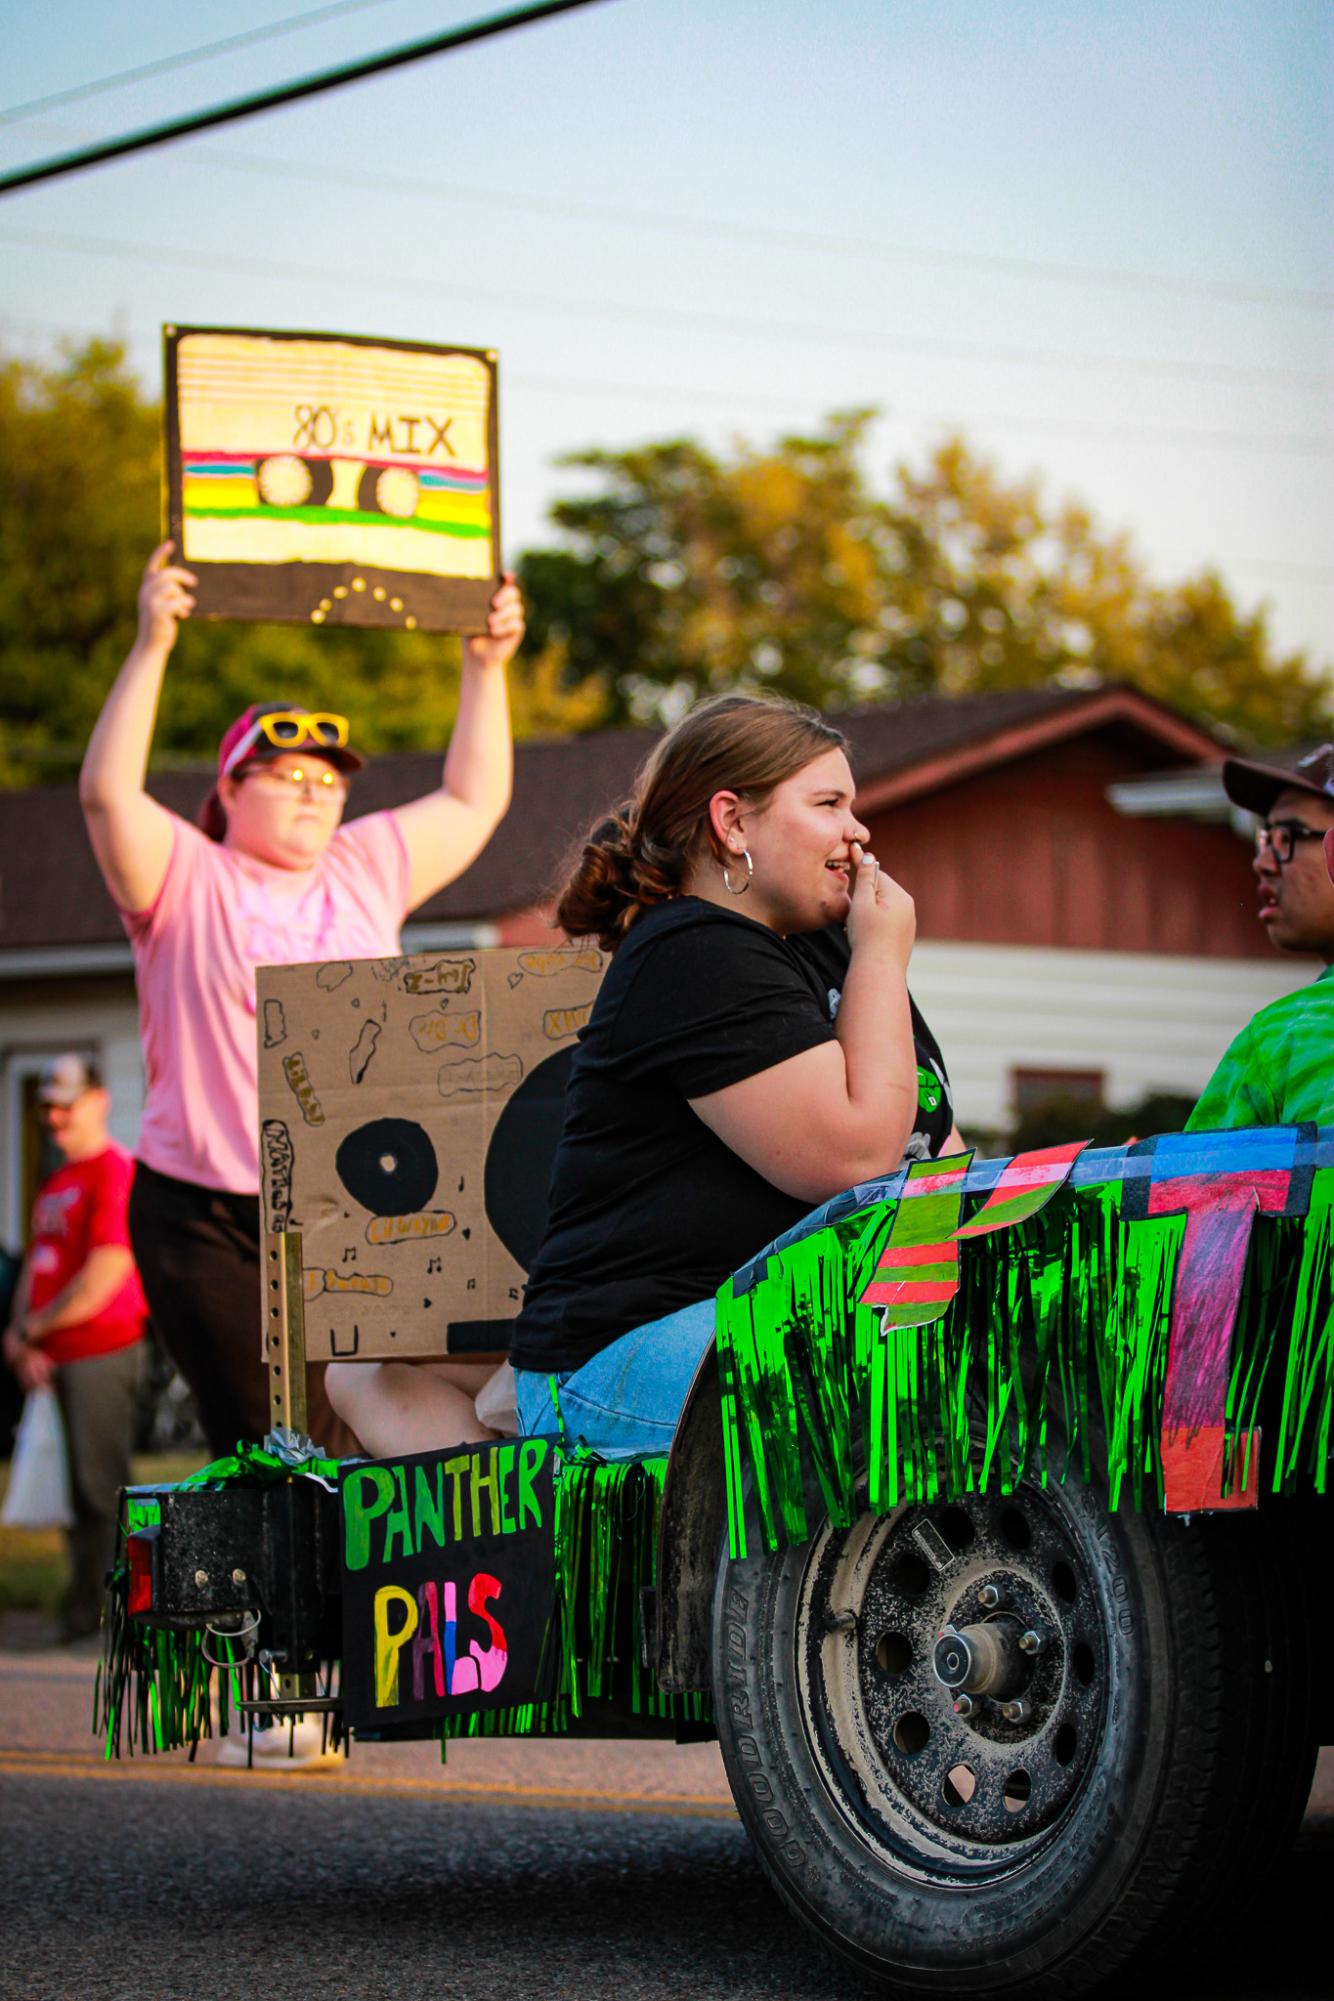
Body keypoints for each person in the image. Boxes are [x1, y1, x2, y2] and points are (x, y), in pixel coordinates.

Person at [339, 691, 960, 1460]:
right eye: (829, 802)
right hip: (631, 1346)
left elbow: (939, 1151)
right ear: (732, 822)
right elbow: (856, 1160)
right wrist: (883, 955)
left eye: (853, 805)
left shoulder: (836, 947)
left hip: (775, 1315)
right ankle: (542, 1475)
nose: (857, 830)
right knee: (886, 1379)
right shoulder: (690, 953)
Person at [80, 543, 525, 1464]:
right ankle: (267, 1612)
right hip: (206, 1213)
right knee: (265, 1447)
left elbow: (475, 799)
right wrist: (152, 642)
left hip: (344, 1207)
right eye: (287, 777)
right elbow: (103, 793)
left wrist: (483, 669)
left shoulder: (363, 867)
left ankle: (347, 1607)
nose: (314, 793)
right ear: (229, 790)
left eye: (329, 780)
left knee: (350, 1427)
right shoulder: (183, 874)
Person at [2, 1057, 148, 1642]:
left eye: (67, 1103)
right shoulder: (56, 1181)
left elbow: (107, 1270)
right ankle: (85, 1607)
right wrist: (19, 1340)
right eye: (48, 1107)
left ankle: (126, 1613)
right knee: (66, 1493)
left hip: (100, 1348)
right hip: (51, 1354)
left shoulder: (113, 1171)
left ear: (98, 1101)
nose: (56, 1117)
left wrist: (34, 1329)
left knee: (102, 1488)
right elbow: (38, 1269)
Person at [1188, 745, 1334, 1131]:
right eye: (1265, 838)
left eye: (1288, 837)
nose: (1262, 862)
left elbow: (1193, 1187)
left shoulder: (1282, 1036)